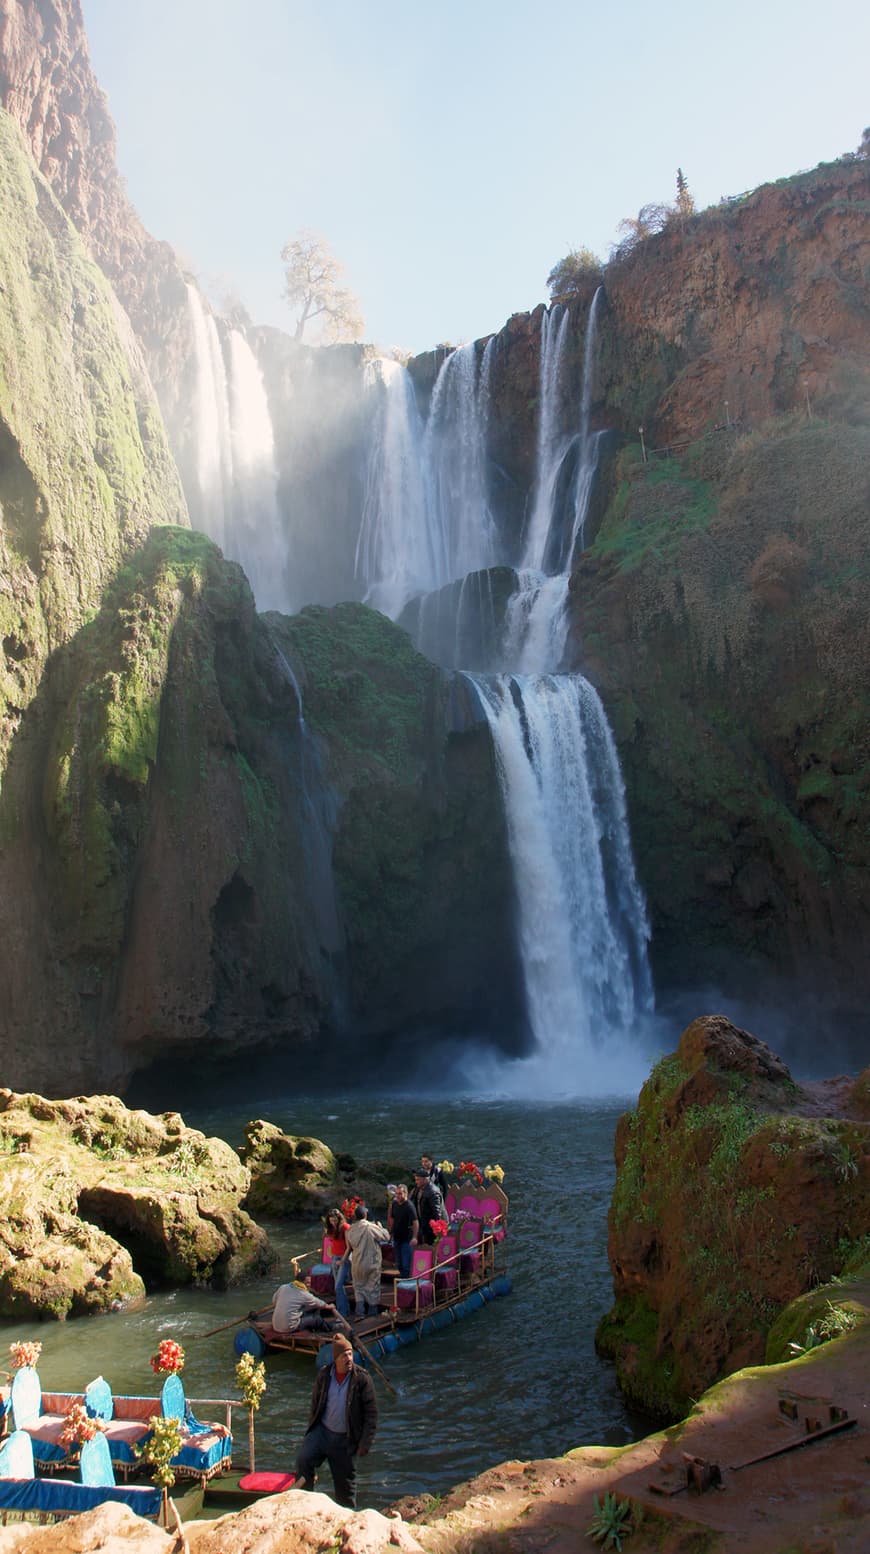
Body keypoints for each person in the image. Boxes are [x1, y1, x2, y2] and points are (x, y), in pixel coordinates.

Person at [294, 1332, 378, 1509]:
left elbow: (371, 1414)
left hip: (345, 1440)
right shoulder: (324, 1375)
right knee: (304, 1460)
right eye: (344, 1355)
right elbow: (315, 1403)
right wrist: (311, 1431)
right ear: (336, 1359)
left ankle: (346, 1520)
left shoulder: (362, 1379)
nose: (348, 1358)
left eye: (350, 1354)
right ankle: (306, 1504)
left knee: (345, 1489)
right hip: (322, 1432)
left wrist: (365, 1443)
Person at [344, 1204, 389, 1317]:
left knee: (358, 1288)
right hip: (371, 1262)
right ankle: (372, 1314)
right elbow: (386, 1237)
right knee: (372, 1287)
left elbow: (349, 1247)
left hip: (357, 1263)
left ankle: (360, 1313)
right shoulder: (370, 1227)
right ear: (365, 1215)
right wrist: (381, 1227)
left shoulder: (349, 1230)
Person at [271, 1270, 340, 1335]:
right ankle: (330, 1327)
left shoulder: (283, 1287)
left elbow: (274, 1301)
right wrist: (329, 1306)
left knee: (307, 1311)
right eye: (308, 1283)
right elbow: (318, 1303)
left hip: (276, 1325)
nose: (309, 1285)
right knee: (316, 1319)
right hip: (289, 1327)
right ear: (301, 1282)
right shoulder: (303, 1293)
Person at [323, 1209, 351, 1319]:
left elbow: (349, 1247)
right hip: (334, 1257)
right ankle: (346, 1308)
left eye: (335, 1221)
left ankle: (341, 1312)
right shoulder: (330, 1229)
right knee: (338, 1286)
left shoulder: (345, 1227)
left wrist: (343, 1260)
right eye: (331, 1221)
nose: (333, 1223)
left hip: (343, 1258)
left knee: (338, 1285)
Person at [387, 1183, 418, 1278]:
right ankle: (403, 1280)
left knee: (406, 1264)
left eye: (400, 1194)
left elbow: (415, 1222)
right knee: (399, 1263)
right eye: (396, 1194)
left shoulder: (409, 1206)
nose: (398, 1196)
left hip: (406, 1239)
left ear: (406, 1193)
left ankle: (407, 1283)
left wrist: (414, 1237)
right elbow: (393, 1219)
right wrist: (391, 1234)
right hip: (397, 1238)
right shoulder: (395, 1204)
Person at [411, 1165, 442, 1245]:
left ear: (425, 1180)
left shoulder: (432, 1192)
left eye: (418, 1180)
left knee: (429, 1245)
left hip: (429, 1226)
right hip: (421, 1223)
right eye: (416, 1179)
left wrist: (437, 1228)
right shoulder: (418, 1188)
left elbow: (437, 1212)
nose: (416, 1182)